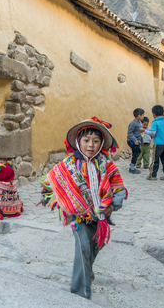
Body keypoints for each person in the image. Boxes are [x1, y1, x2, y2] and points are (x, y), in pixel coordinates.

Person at [37, 117, 127, 299]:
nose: (91, 145)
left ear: (101, 143)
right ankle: (80, 293)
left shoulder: (107, 164)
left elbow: (119, 188)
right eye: (86, 141)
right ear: (79, 142)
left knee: (96, 246)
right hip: (77, 216)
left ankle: (87, 270)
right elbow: (53, 180)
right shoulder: (68, 163)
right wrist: (45, 196)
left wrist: (113, 206)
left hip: (100, 216)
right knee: (83, 246)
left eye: (95, 141)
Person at [140, 105, 164, 180]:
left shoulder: (155, 122)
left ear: (153, 114)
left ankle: (152, 175)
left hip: (158, 144)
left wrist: (144, 131)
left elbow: (153, 133)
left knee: (155, 160)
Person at [127, 108, 145, 174]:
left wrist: (141, 140)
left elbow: (140, 133)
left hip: (137, 141)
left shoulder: (139, 123)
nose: (143, 116)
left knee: (135, 153)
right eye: (142, 115)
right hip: (131, 141)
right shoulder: (132, 123)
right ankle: (132, 168)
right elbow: (130, 133)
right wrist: (135, 140)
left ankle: (132, 166)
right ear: (138, 115)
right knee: (138, 151)